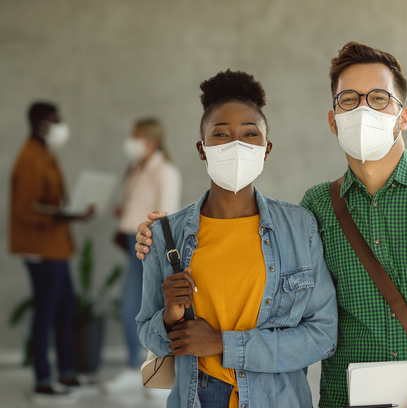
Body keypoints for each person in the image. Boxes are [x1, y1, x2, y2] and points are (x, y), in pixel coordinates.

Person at [136, 44, 407, 408]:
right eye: (348, 100)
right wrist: (160, 234)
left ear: (402, 116)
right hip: (346, 400)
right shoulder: (319, 207)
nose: (362, 109)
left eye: (378, 98)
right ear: (332, 119)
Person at [136, 70, 338, 408]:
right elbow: (149, 334)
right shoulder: (165, 234)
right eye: (220, 134)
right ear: (202, 149)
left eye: (249, 134)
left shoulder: (300, 227)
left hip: (278, 400)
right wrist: (170, 315)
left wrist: (224, 344)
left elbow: (322, 335)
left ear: (266, 148)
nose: (236, 145)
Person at [9, 101, 94, 401]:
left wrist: (72, 213)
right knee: (47, 311)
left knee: (66, 307)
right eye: (55, 121)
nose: (61, 127)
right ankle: (43, 378)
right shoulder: (29, 160)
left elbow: (52, 203)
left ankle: (67, 372)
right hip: (40, 249)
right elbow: (27, 211)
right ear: (41, 123)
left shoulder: (44, 155)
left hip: (55, 247)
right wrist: (68, 215)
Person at [109, 118, 181, 391]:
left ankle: (156, 373)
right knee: (131, 309)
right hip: (132, 243)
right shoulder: (137, 168)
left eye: (136, 136)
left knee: (152, 310)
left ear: (151, 140)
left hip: (150, 247)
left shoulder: (165, 171)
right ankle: (133, 366)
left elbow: (165, 215)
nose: (132, 141)